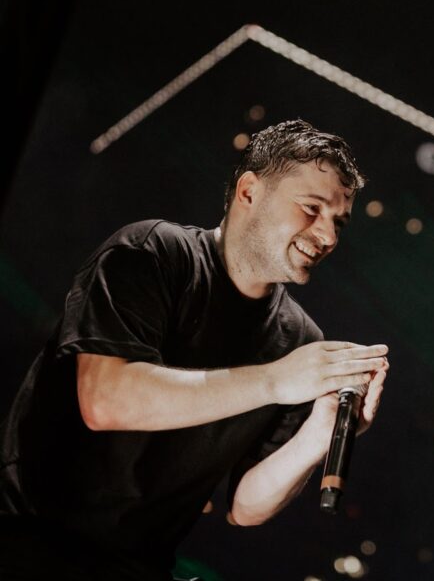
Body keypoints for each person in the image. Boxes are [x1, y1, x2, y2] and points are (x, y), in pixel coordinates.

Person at [0, 119, 389, 580]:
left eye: (338, 222)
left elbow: (246, 507)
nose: (328, 237)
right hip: (26, 540)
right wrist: (275, 380)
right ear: (249, 191)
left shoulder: (300, 341)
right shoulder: (153, 252)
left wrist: (319, 432)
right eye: (311, 209)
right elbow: (105, 401)